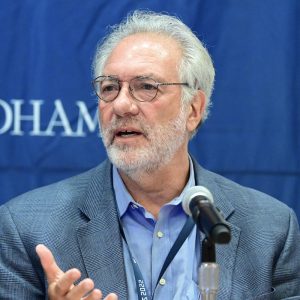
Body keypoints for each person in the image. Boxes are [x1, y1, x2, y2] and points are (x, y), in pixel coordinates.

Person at [0, 10, 299, 300]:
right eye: (110, 88)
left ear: (193, 110)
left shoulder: (271, 229)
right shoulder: (27, 227)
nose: (121, 105)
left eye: (146, 87)